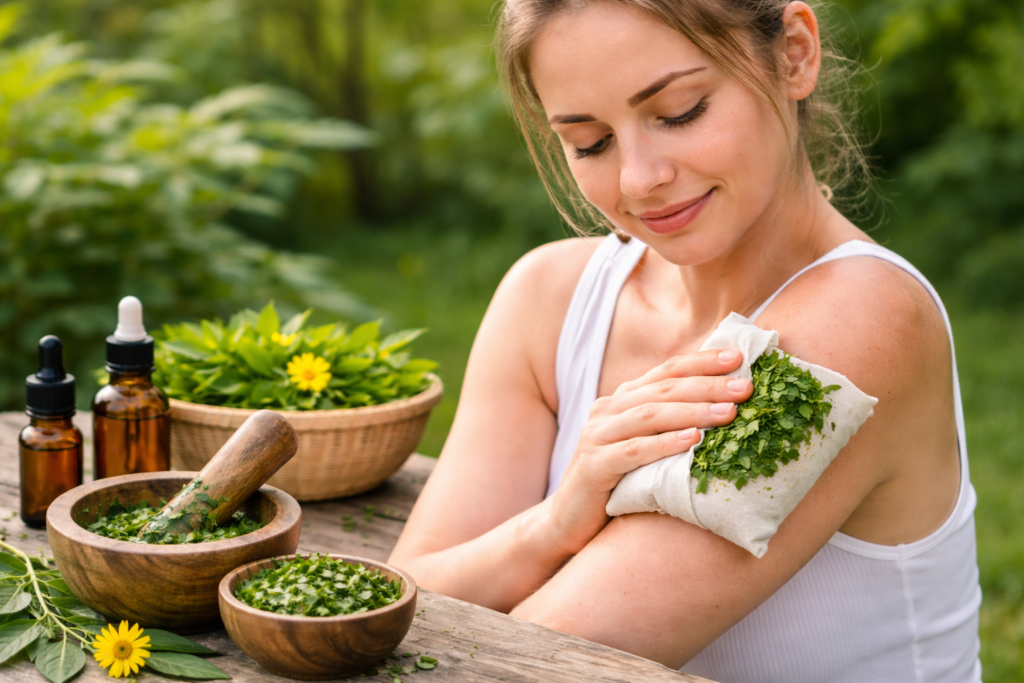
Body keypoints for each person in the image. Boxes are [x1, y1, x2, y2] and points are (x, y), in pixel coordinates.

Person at [388, 1, 982, 681]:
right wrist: (554, 523)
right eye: (589, 142)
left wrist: (502, 566)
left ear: (793, 53)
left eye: (680, 111)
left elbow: (537, 661)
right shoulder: (547, 298)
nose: (639, 179)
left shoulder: (859, 324)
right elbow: (395, 595)